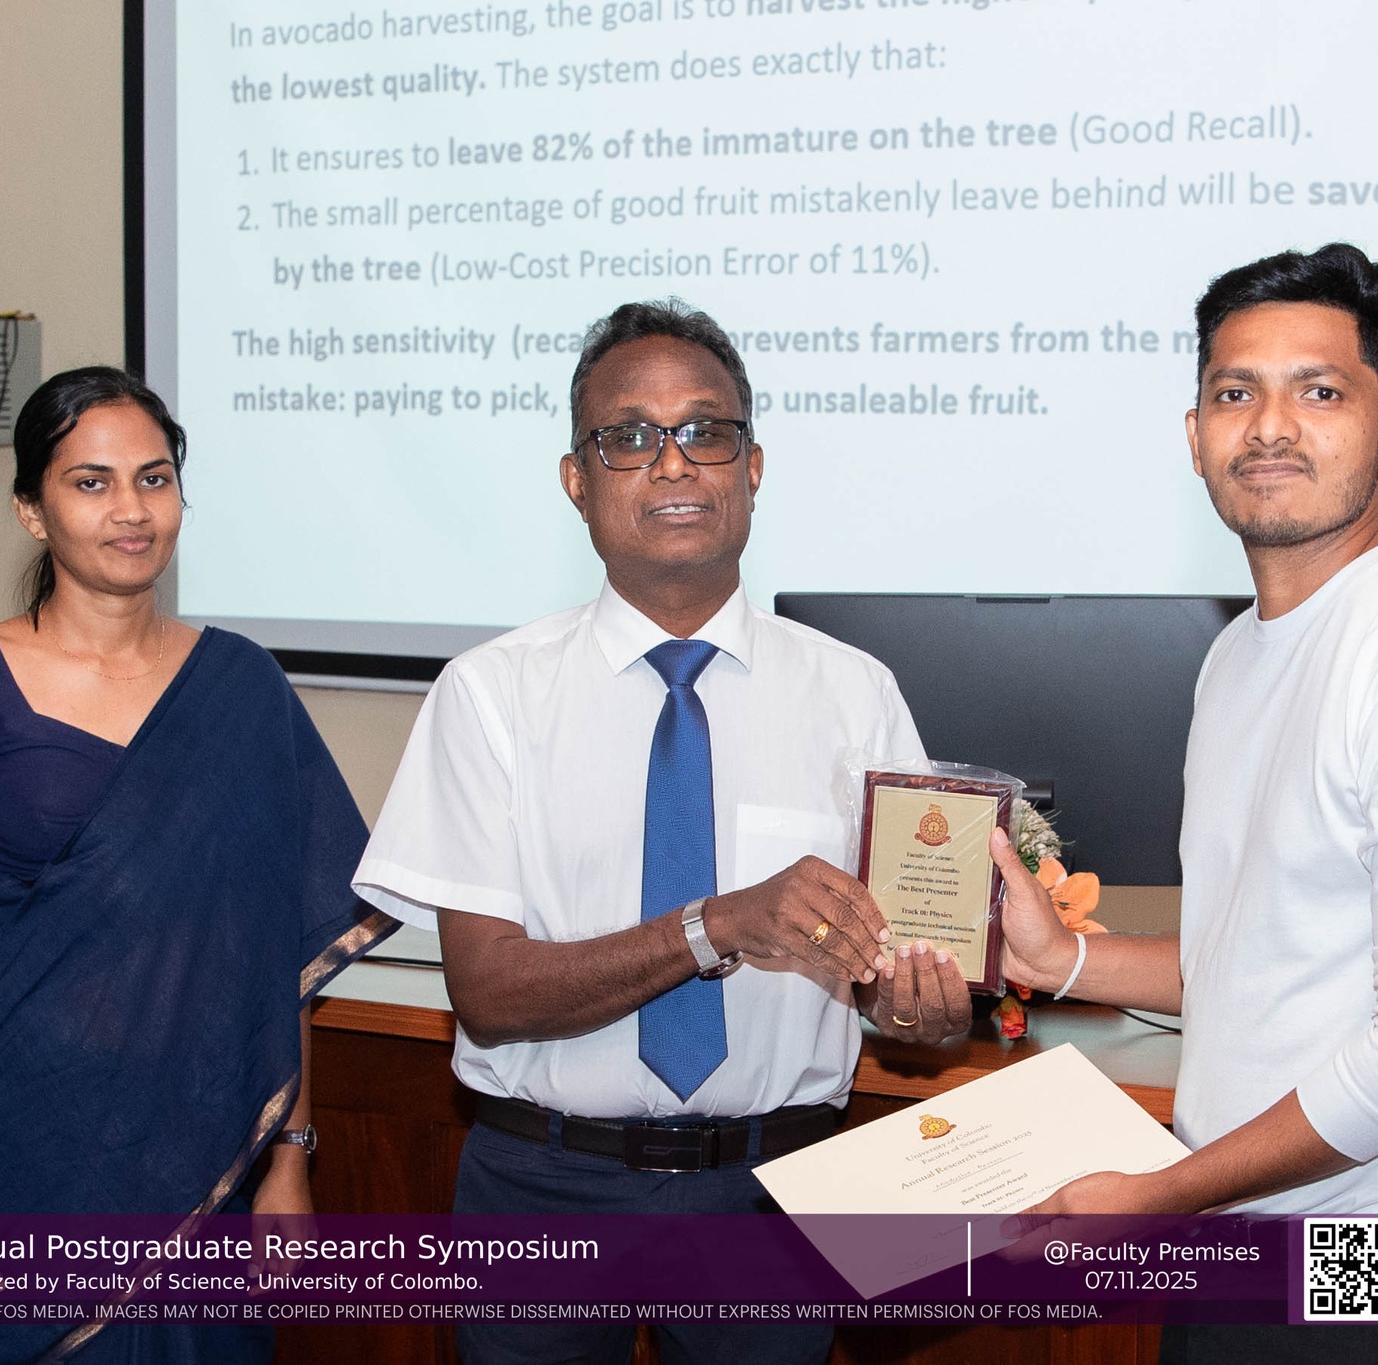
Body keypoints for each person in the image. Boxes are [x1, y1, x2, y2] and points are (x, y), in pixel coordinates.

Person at [354, 299, 974, 1364]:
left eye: (706, 430)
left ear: (752, 468)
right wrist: (715, 926)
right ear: (576, 480)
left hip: (772, 1193)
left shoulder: (855, 693)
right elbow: (488, 994)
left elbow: (902, 986)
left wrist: (922, 1006)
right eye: (630, 436)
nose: (674, 461)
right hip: (542, 1185)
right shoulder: (489, 694)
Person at [993, 245, 1378, 1364]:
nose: (1269, 427)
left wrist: (1160, 1194)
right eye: (1234, 393)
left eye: (1321, 391)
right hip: (1253, 1244)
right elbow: (1266, 959)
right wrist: (1064, 959)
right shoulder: (1239, 655)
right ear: (1194, 433)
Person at [0, 366, 396, 1363]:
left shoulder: (241, 686)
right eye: (92, 482)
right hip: (16, 1135)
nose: (132, 509)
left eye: (154, 479)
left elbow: (276, 951)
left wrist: (289, 1156)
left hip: (202, 1149)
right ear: (31, 510)